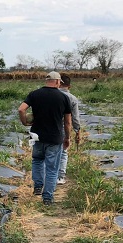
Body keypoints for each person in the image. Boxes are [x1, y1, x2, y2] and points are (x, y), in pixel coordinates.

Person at [17, 71, 72, 205]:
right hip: (55, 137)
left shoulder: (35, 94)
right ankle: (47, 197)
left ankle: (37, 187)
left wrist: (25, 122)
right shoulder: (64, 98)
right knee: (52, 168)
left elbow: (21, 109)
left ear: (46, 81)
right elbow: (68, 122)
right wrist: (67, 138)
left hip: (37, 136)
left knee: (37, 160)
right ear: (58, 82)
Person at [57, 74, 80, 184]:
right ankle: (60, 177)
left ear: (58, 83)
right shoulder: (72, 98)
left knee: (49, 152)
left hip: (49, 127)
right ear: (69, 86)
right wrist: (77, 131)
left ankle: (48, 176)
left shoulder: (52, 95)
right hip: (63, 127)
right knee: (63, 152)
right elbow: (74, 118)